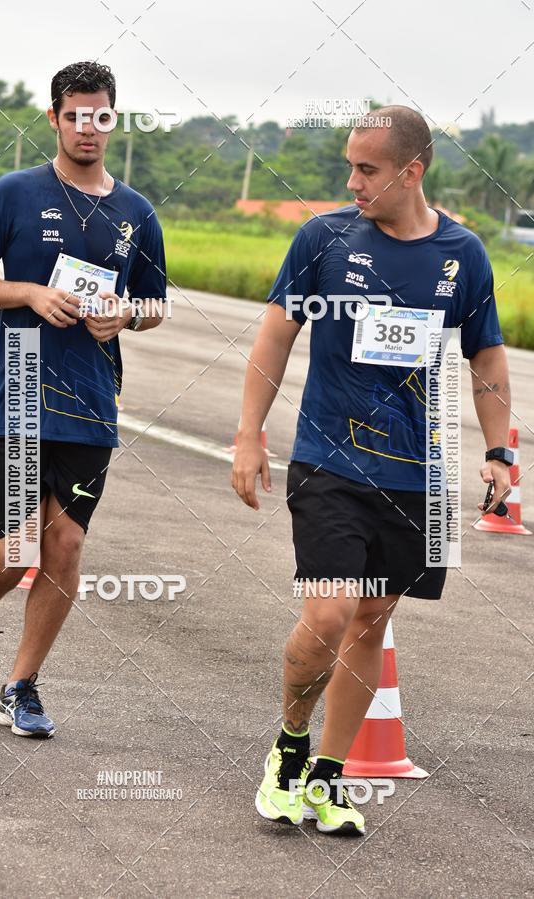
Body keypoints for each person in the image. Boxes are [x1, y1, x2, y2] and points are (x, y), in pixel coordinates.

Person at [232, 106, 512, 834]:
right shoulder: (324, 238)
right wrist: (248, 434)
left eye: (367, 169)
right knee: (326, 613)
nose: (351, 181)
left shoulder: (464, 254)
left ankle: (329, 776)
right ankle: (290, 746)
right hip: (329, 457)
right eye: (349, 166)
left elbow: (485, 355)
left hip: (419, 473)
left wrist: (499, 448)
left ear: (411, 172)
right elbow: (276, 332)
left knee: (371, 620)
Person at [0, 61, 166, 738]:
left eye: (100, 115)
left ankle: (22, 685)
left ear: (113, 119)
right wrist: (30, 294)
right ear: (54, 118)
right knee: (18, 550)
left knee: (65, 544)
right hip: (19, 384)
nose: (87, 127)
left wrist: (125, 315)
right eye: (74, 115)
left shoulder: (135, 212)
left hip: (94, 397)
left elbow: (156, 303)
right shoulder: (13, 194)